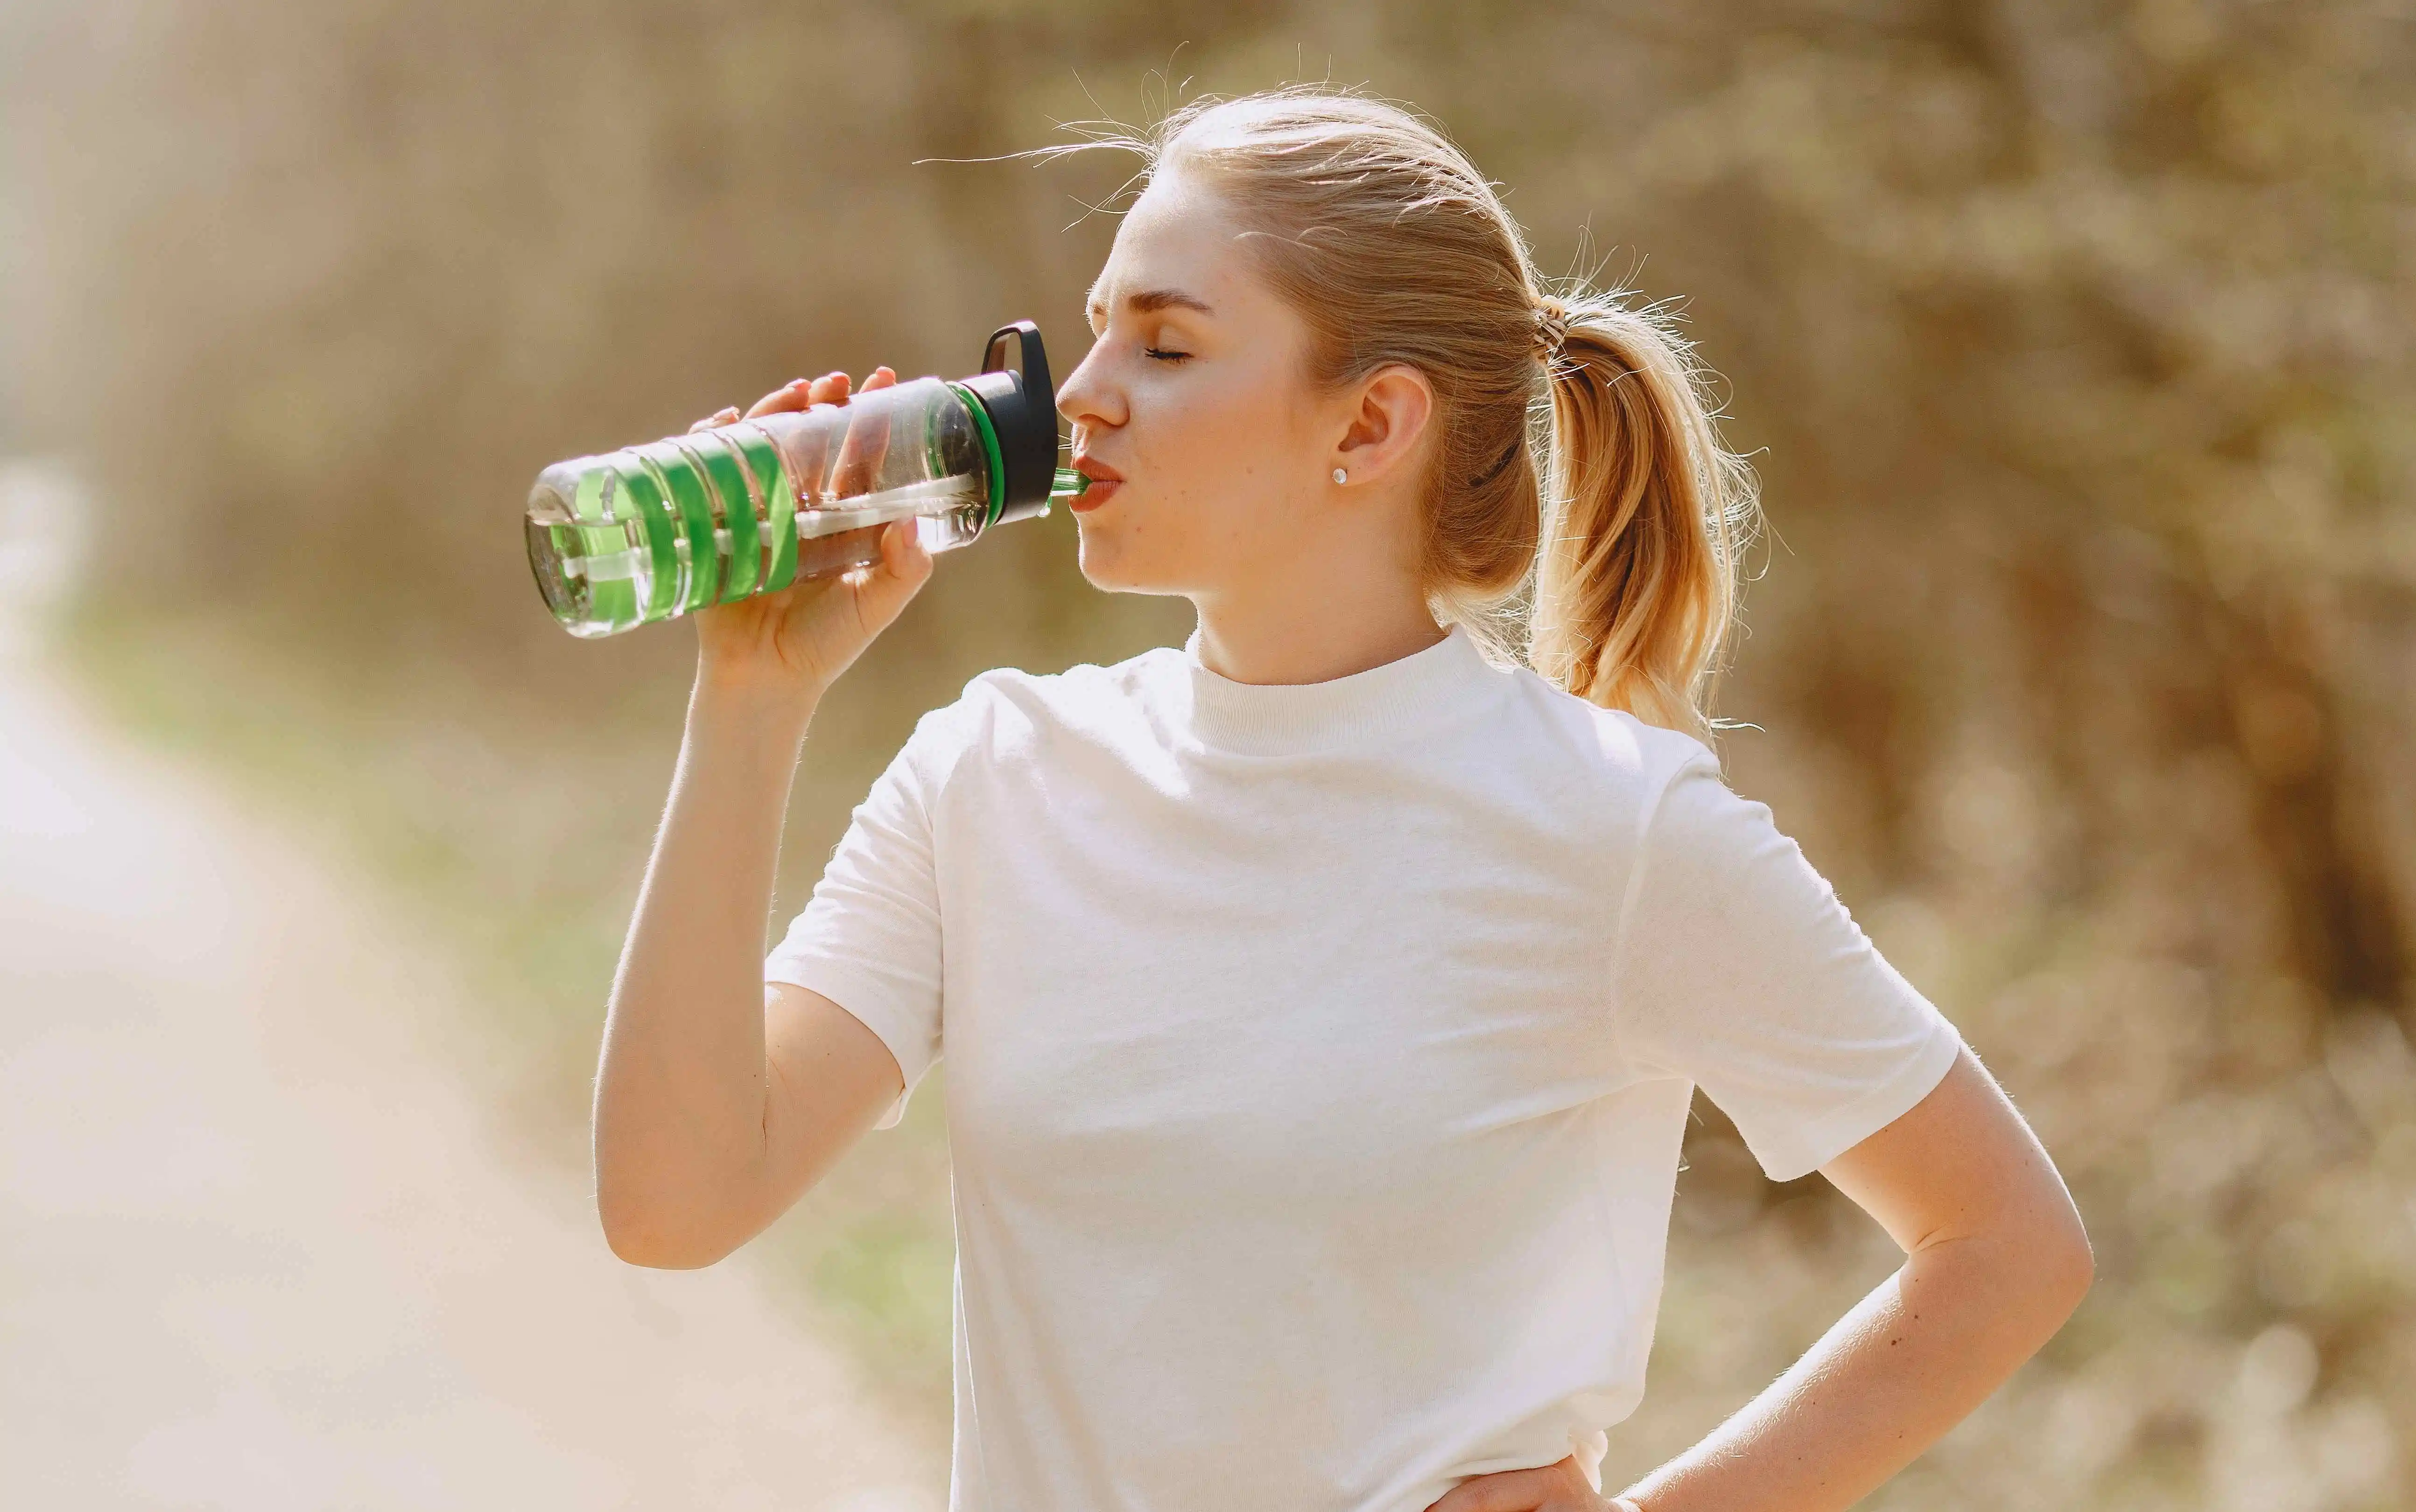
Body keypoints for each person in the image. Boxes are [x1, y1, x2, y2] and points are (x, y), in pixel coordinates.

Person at [592, 84, 2093, 1512]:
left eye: (1167, 349)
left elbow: (2007, 1247)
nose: (1083, 400)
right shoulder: (990, 775)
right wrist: (754, 697)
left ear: (1370, 427)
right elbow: (675, 1202)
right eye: (1094, 333)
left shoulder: (1613, 830)